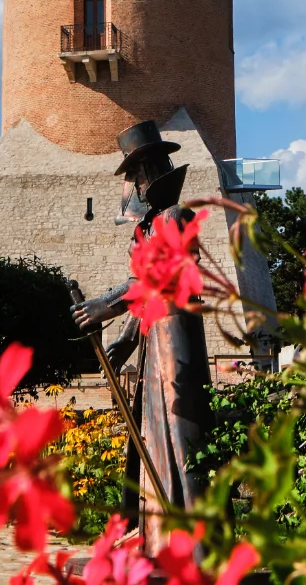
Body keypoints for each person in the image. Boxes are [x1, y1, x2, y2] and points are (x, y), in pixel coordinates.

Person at [71, 120, 212, 550]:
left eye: (137, 176)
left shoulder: (175, 217)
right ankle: (158, 538)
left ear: (152, 172)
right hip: (154, 341)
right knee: (154, 431)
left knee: (180, 429)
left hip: (177, 339)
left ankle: (193, 544)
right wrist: (128, 337)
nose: (134, 186)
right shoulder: (149, 228)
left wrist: (107, 304)